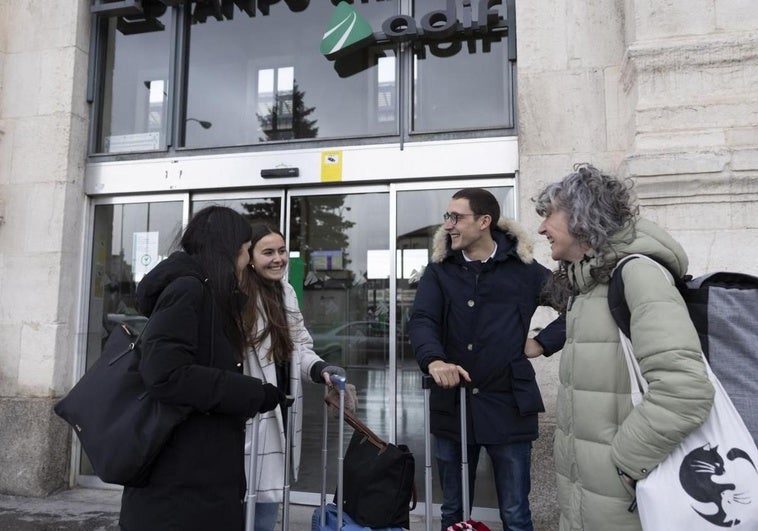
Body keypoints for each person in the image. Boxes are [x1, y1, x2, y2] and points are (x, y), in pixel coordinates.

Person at [533, 164, 715, 530]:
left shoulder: (637, 274)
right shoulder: (587, 287)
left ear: (582, 215)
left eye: (548, 215)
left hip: (624, 502)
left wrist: (623, 464)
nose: (540, 228)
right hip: (593, 502)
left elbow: (685, 390)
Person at [119, 206, 287, 531]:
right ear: (231, 251)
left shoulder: (210, 294)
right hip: (178, 488)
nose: (245, 262)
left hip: (200, 478)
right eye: (244, 252)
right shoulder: (188, 290)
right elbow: (166, 374)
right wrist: (250, 392)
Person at [409, 188, 566, 531]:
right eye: (446, 217)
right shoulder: (440, 271)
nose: (448, 225)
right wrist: (434, 361)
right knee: (454, 510)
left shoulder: (525, 271)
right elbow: (422, 321)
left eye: (456, 217)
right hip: (453, 406)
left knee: (515, 512)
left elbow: (579, 306)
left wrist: (543, 342)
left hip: (509, 403)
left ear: (484, 221)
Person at [240, 224, 350, 531]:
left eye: (281, 251)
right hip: (250, 415)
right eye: (268, 252)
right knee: (243, 507)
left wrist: (320, 369)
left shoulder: (285, 291)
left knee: (266, 508)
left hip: (281, 411)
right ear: (250, 257)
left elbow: (299, 345)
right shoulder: (239, 296)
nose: (278, 259)